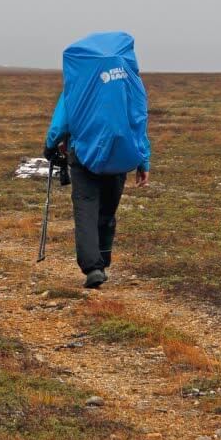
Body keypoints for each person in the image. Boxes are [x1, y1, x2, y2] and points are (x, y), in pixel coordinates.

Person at [43, 32, 151, 289]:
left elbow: (61, 123)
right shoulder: (131, 83)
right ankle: (102, 259)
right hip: (120, 154)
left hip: (84, 155)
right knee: (107, 210)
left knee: (86, 209)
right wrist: (143, 161)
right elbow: (138, 120)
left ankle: (93, 267)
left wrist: (49, 146)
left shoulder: (78, 85)